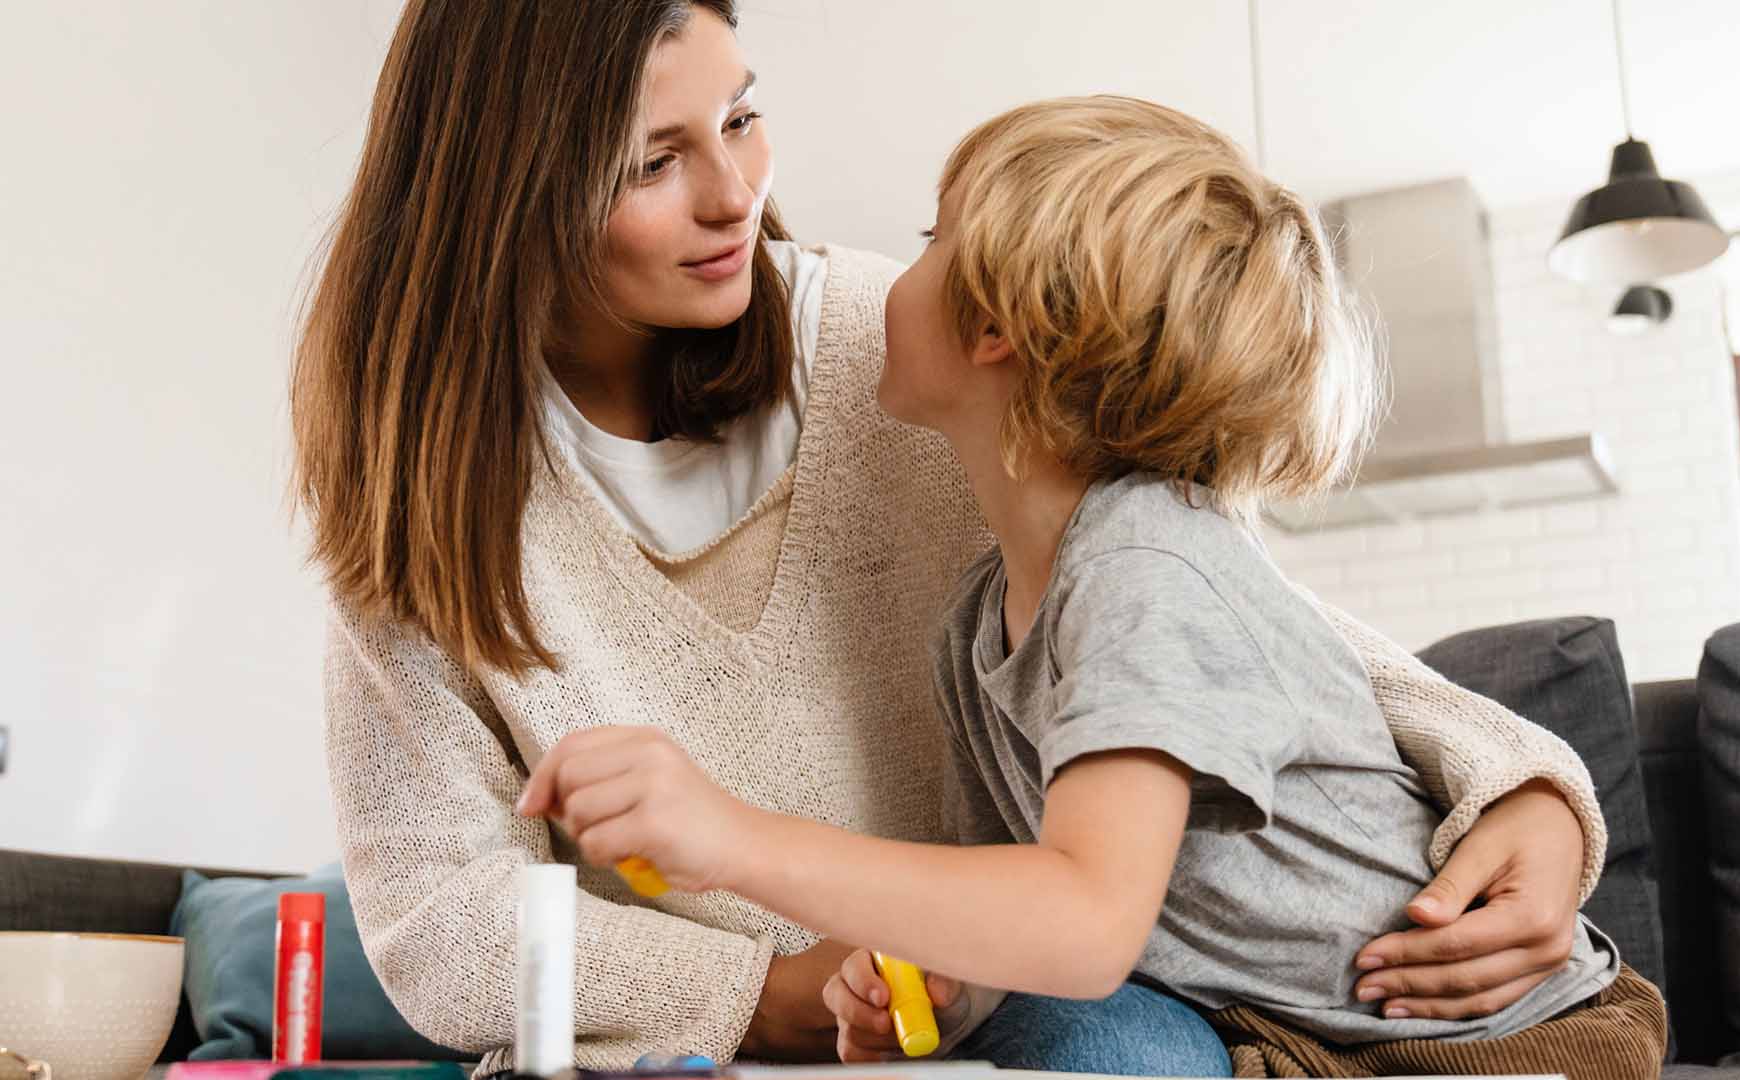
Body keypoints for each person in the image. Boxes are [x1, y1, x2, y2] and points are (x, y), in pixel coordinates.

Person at [299, 3, 1613, 1075]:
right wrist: (781, 990)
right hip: (840, 1023)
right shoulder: (422, 504)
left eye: (742, 118)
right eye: (653, 162)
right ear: (507, 199)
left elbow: (1230, 622)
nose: (737, 197)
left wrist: (1523, 786)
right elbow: (447, 924)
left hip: (1228, 1011)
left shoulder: (923, 351)